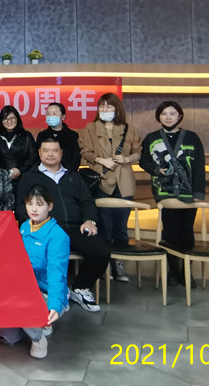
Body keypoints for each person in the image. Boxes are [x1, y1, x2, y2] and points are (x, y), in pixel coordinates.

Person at [16, 137, 110, 313]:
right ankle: (47, 292)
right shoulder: (29, 177)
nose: (50, 154)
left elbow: (87, 201)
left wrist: (89, 220)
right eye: (46, 150)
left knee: (101, 251)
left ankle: (80, 287)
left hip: (75, 228)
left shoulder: (73, 176)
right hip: (46, 230)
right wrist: (32, 225)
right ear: (39, 153)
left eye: (54, 150)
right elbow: (21, 206)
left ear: (61, 153)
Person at [0, 185, 70, 359]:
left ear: (50, 206)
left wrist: (54, 304)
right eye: (30, 204)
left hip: (46, 292)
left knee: (21, 303)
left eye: (40, 204)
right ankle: (36, 325)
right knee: (6, 335)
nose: (34, 209)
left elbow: (56, 273)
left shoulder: (58, 236)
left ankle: (38, 338)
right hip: (25, 289)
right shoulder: (24, 227)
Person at [139, 101, 206, 287]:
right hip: (165, 193)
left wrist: (199, 192)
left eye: (172, 113)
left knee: (187, 233)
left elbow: (199, 166)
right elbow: (143, 161)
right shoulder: (152, 138)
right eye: (164, 114)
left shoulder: (191, 137)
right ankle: (173, 272)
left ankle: (187, 272)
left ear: (180, 116)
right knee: (169, 233)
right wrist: (156, 169)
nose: (168, 117)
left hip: (188, 194)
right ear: (158, 117)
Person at [78, 92, 141, 283]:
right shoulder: (90, 128)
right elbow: (84, 151)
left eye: (109, 106)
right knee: (103, 225)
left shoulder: (129, 129)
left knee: (121, 227)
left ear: (117, 109)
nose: (105, 110)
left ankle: (118, 264)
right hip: (101, 180)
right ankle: (103, 265)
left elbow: (138, 152)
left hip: (124, 181)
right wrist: (100, 160)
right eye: (102, 106)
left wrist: (126, 159)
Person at [0, 105, 38, 183]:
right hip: (1, 178)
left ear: (17, 119)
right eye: (5, 119)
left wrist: (19, 170)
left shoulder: (26, 136)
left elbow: (33, 157)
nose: (9, 121)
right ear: (1, 121)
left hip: (24, 177)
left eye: (12, 118)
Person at [36, 103, 81, 172]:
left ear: (63, 117)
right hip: (45, 173)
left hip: (67, 174)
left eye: (54, 114)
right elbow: (37, 158)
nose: (50, 116)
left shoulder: (72, 135)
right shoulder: (42, 135)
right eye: (48, 114)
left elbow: (76, 159)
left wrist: (68, 173)